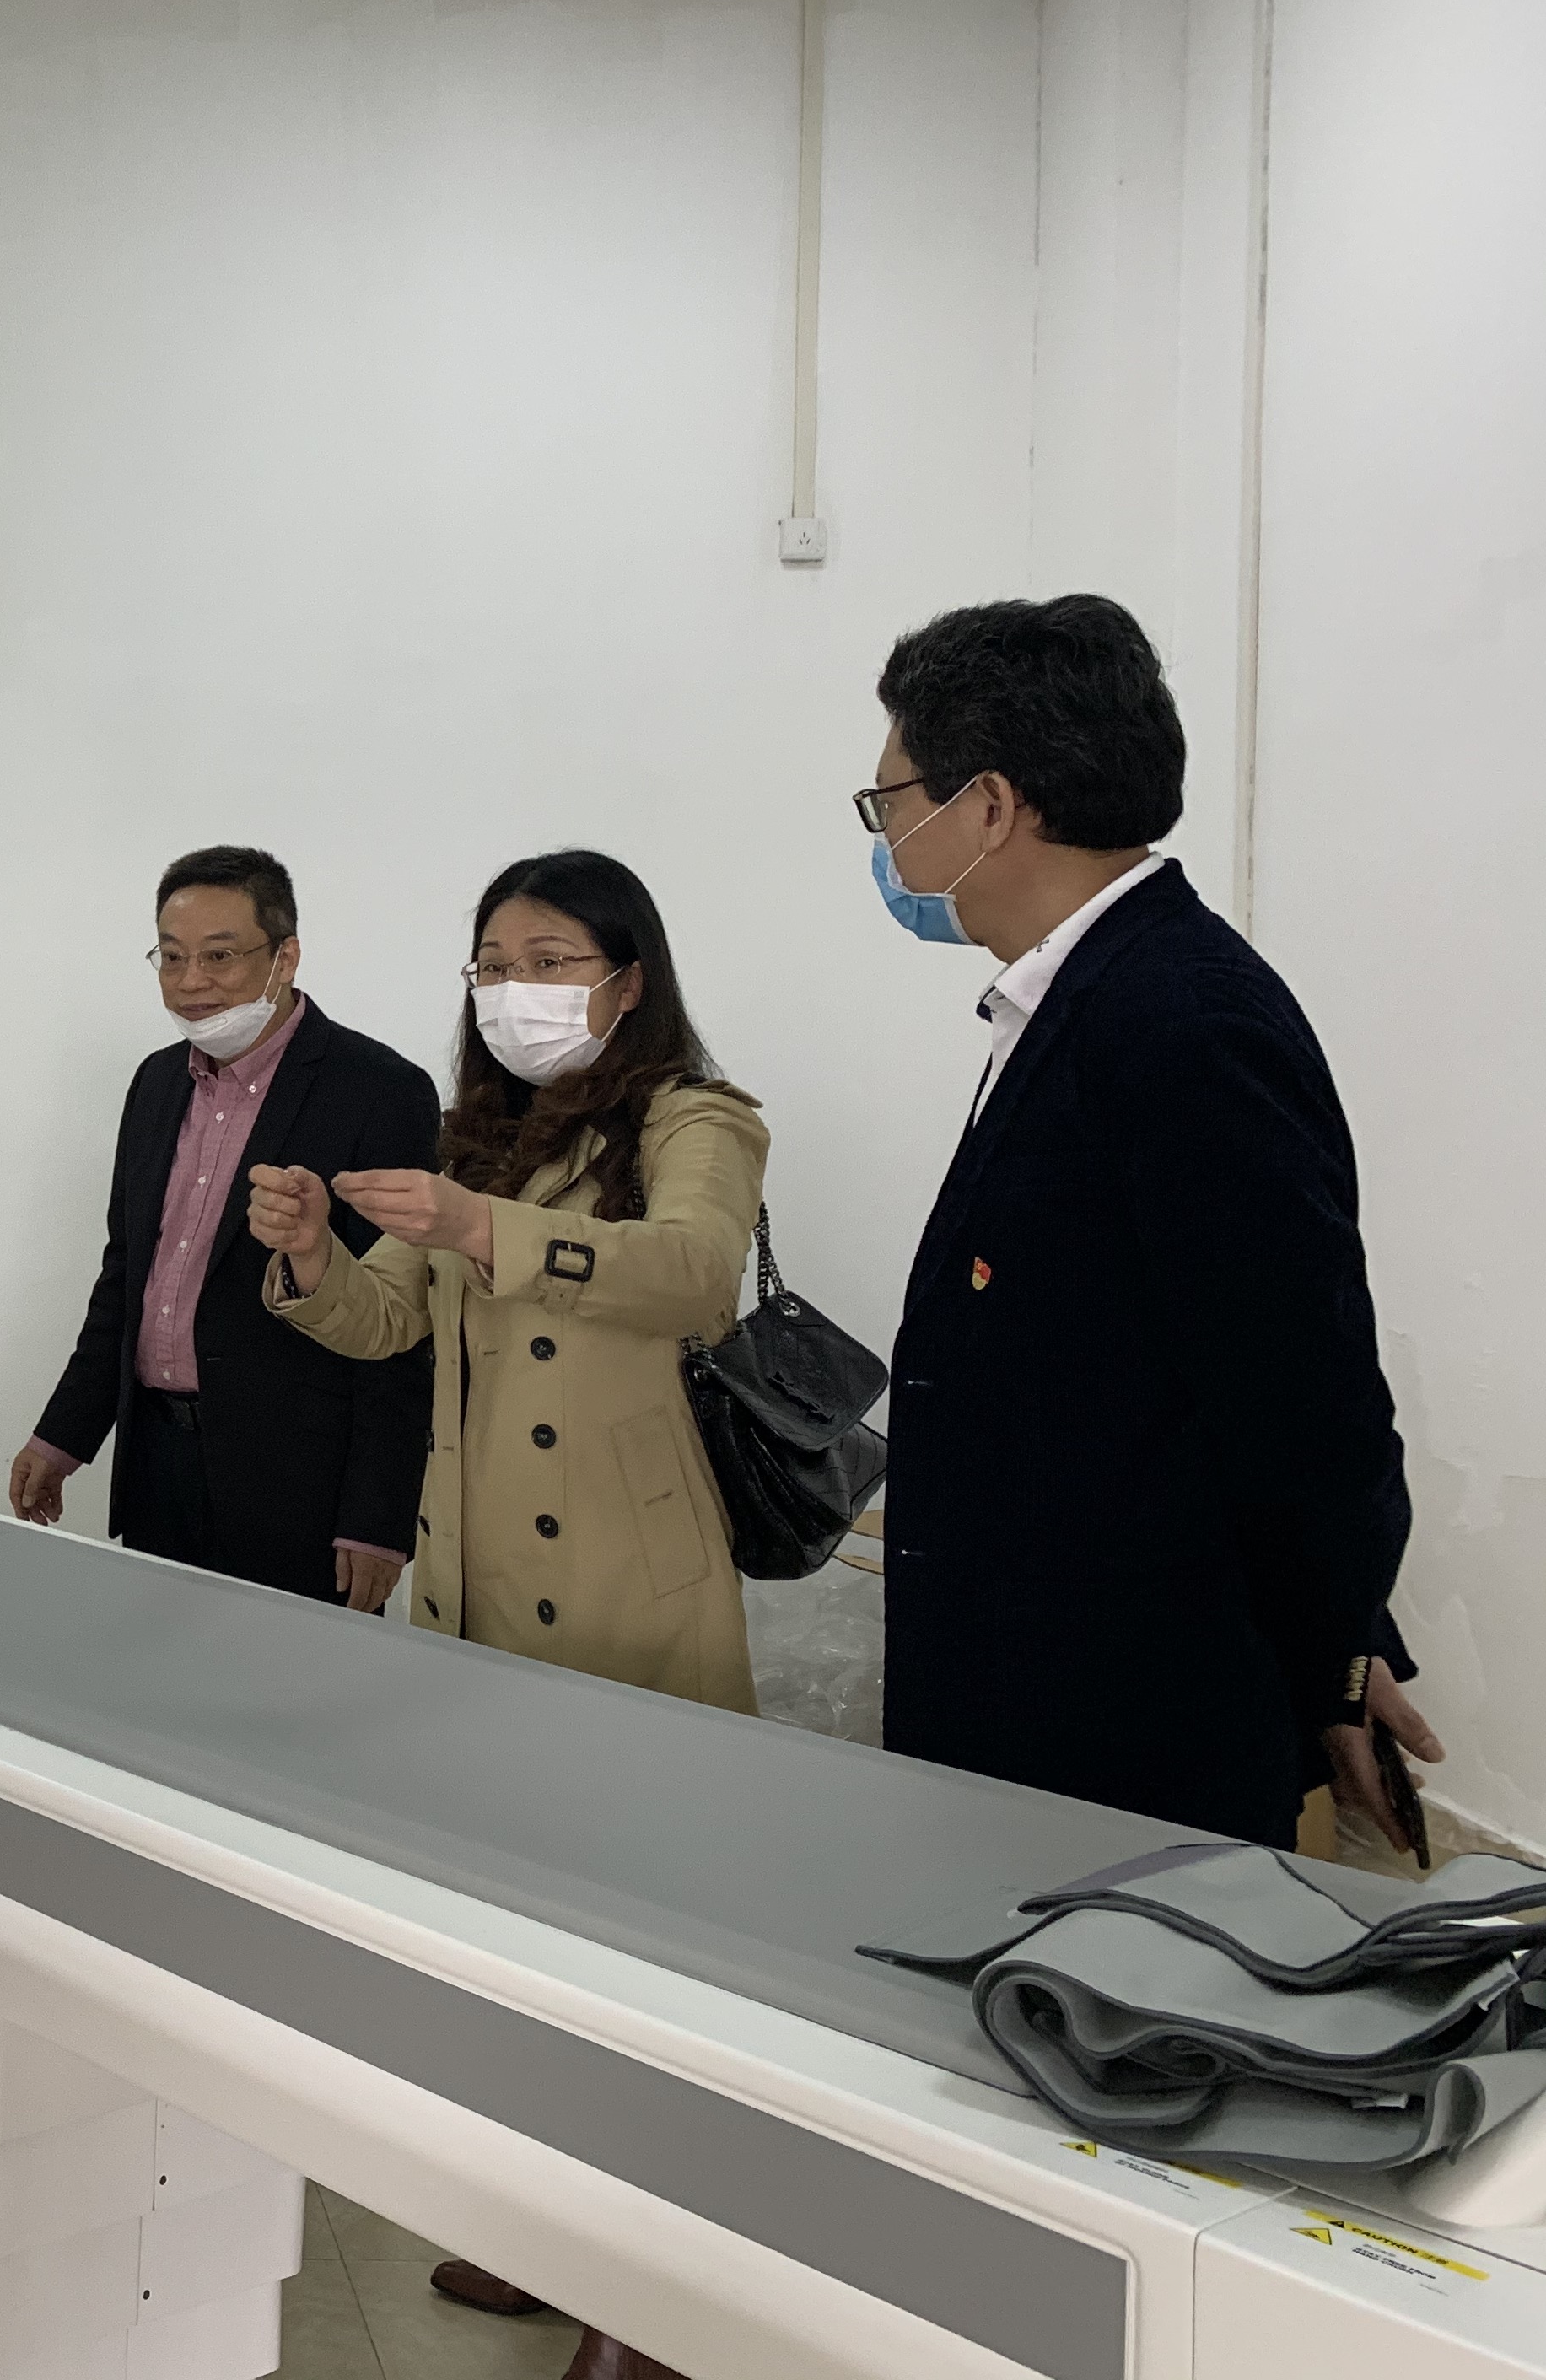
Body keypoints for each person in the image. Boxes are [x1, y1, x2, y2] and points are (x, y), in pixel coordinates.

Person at [245, 848, 760, 2379]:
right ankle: (546, 2234)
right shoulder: (478, 1136)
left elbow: (698, 1275)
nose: (512, 991)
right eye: (490, 965)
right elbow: (385, 1320)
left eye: (546, 961)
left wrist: (484, 1231)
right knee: (518, 1955)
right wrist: (310, 1252)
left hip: (620, 1588)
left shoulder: (694, 1118)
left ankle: (651, 2304)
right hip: (474, 1585)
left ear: (626, 978)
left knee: (644, 1971)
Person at [861, 594, 1442, 1855]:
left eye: (890, 800)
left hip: (1117, 1724)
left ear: (991, 806)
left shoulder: (1180, 1023)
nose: (887, 837)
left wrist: (1336, 1657)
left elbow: (1301, 1393)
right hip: (1036, 1684)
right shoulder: (1084, 996)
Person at [11, 847, 437, 1606]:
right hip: (156, 1461)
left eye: (219, 955)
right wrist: (63, 1436)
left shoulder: (380, 1091)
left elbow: (403, 1324)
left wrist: (377, 1517)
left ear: (285, 957)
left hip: (299, 1485)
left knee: (291, 1679)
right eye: (171, 957)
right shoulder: (155, 1083)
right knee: (154, 1668)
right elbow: (127, 1277)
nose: (190, 982)